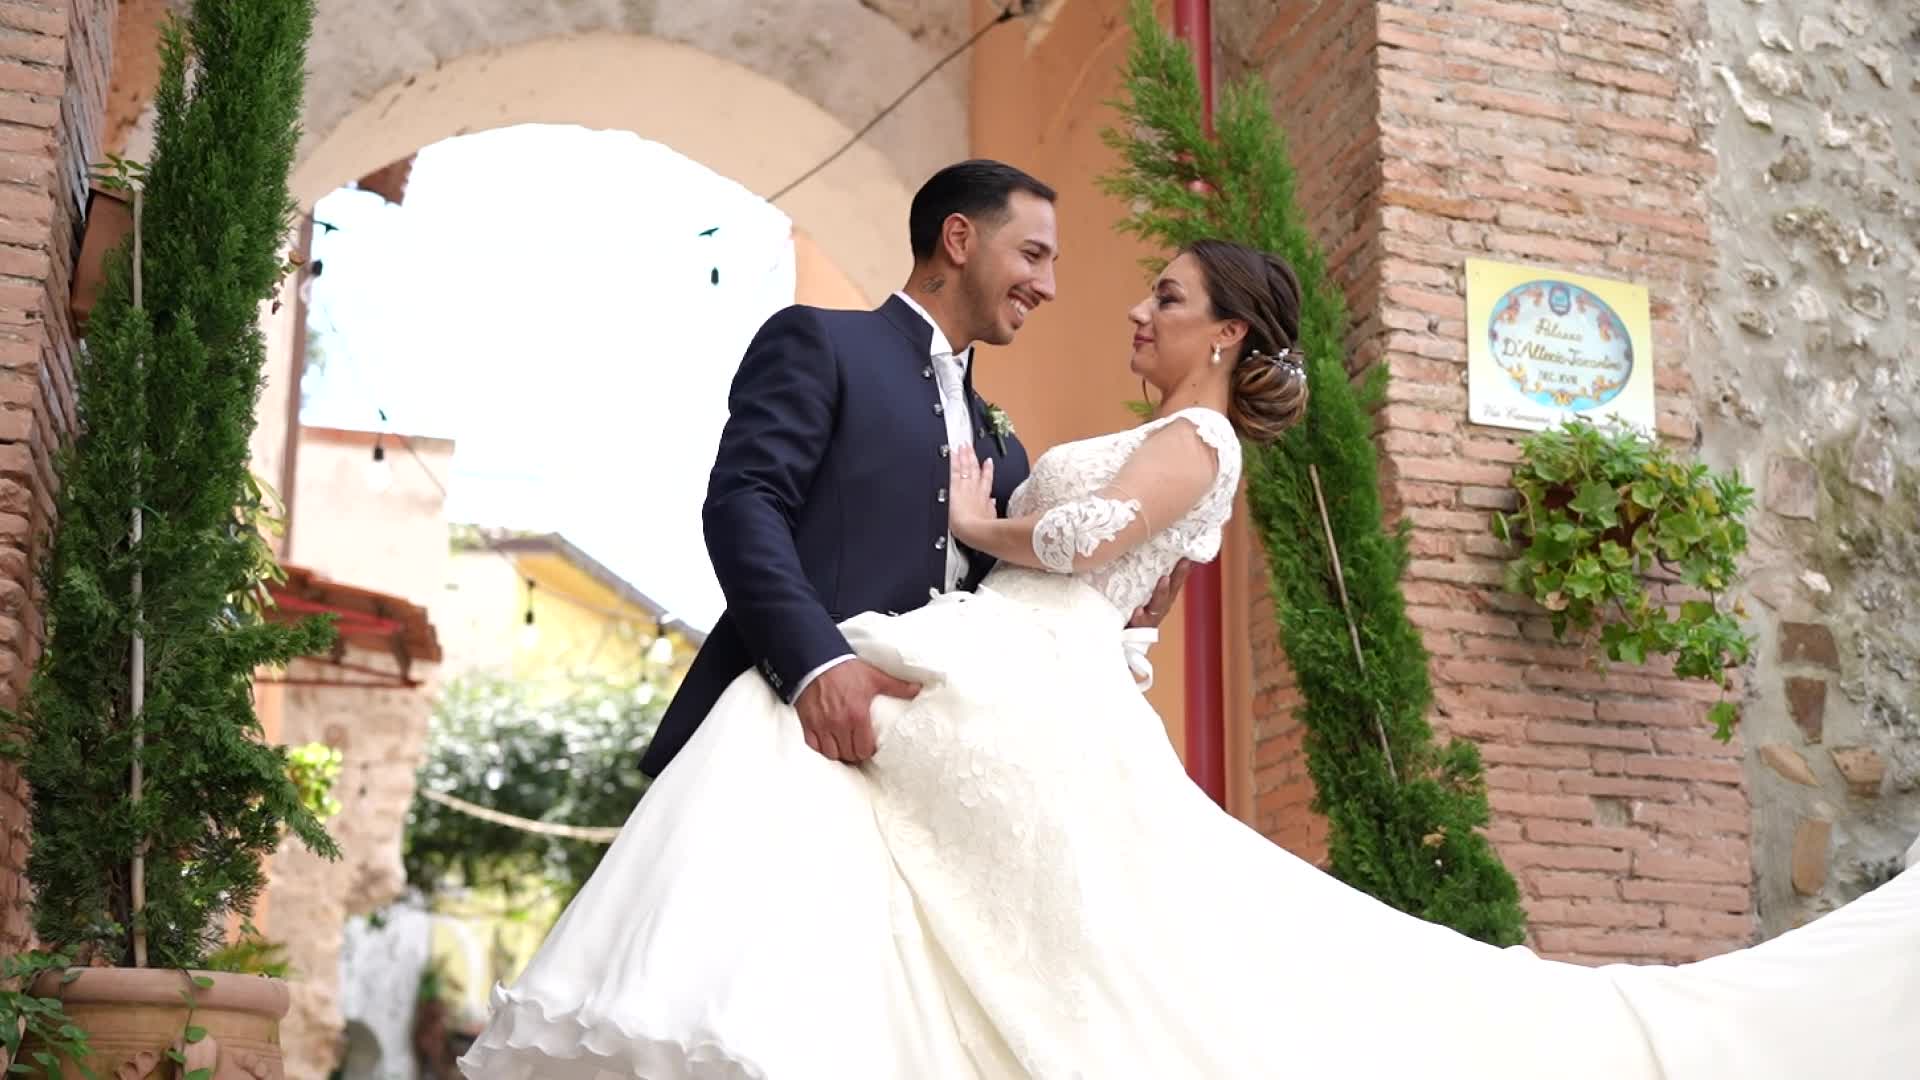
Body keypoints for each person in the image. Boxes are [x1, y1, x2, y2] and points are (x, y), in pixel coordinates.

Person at [462, 236, 1920, 1079]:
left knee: (821, 751)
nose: (1135, 309)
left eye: (1165, 296)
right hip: (1028, 664)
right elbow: (1129, 593)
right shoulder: (1150, 430)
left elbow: (1080, 541)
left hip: (1028, 660)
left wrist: (977, 519)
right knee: (821, 774)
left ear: (1225, 334)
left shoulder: (1203, 437)